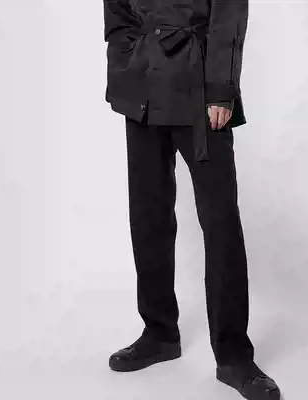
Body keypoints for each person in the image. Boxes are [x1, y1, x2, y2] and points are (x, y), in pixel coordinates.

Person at [103, 1, 281, 399]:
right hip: (142, 89)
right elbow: (117, 15)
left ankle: (233, 357)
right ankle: (159, 333)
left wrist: (221, 89)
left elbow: (229, 15)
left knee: (220, 223)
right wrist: (128, 63)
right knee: (148, 215)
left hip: (199, 89)